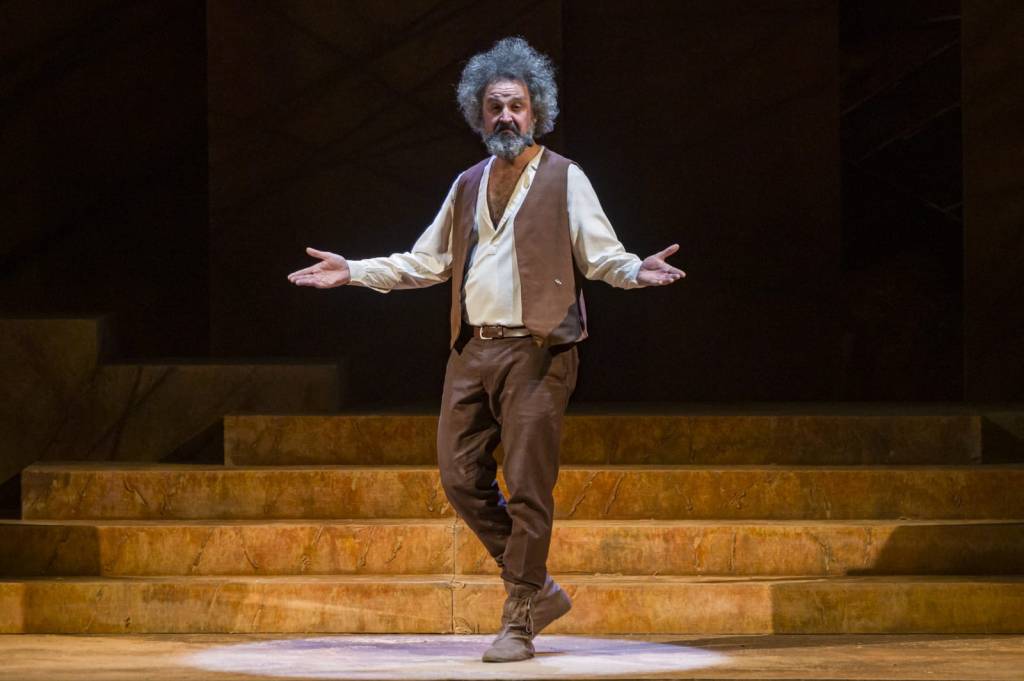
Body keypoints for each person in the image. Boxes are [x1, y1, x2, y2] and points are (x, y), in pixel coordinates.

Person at [287, 36, 685, 663]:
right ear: (479, 114)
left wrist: (637, 270)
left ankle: (520, 614)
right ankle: (538, 586)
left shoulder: (565, 177)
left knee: (528, 485)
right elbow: (428, 261)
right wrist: (353, 271)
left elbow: (601, 255)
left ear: (536, 112)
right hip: (472, 350)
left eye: (516, 106)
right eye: (495, 106)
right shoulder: (467, 183)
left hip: (539, 351)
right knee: (458, 477)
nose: (505, 116)